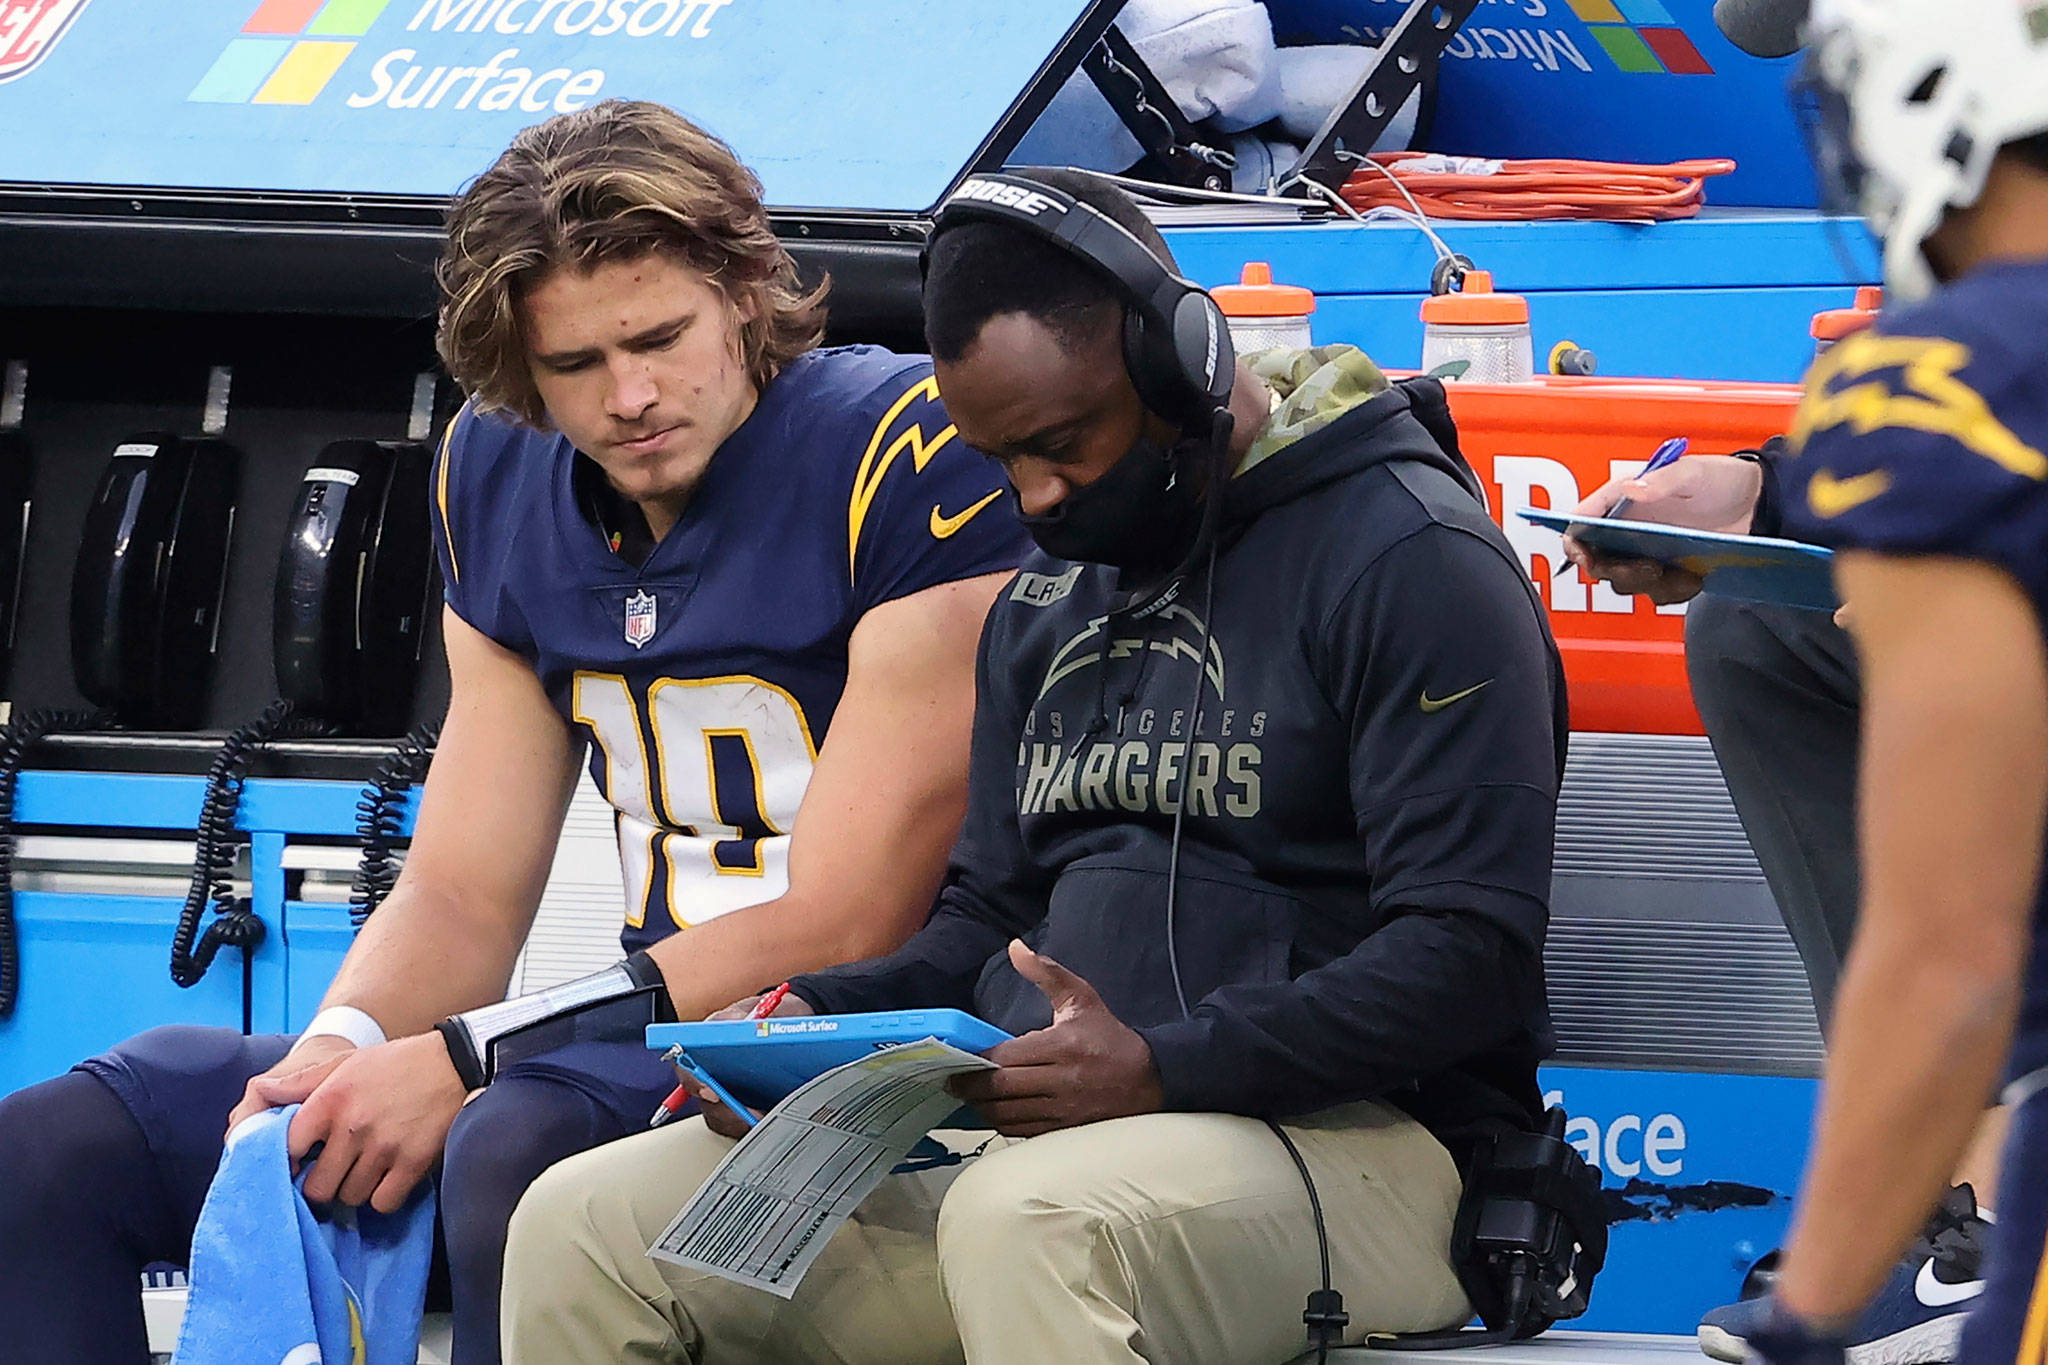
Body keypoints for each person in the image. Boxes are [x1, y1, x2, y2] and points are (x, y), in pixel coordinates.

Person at [0, 99, 1026, 1365]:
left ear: (749, 292)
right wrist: (347, 1047)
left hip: (834, 1046)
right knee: (69, 1143)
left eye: (659, 338)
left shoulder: (906, 448)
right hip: (605, 1046)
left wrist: (470, 1058)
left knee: (512, 1138)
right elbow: (463, 892)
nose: (631, 396)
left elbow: (852, 918)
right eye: (575, 366)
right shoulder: (489, 467)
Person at [496, 167, 1570, 1365]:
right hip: (1057, 1142)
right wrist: (810, 1016)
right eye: (1001, 461)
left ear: (1180, 370)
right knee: (587, 1221)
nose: (1035, 497)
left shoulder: (1409, 556)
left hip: (1369, 1149)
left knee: (1032, 1222)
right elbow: (992, 915)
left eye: (1061, 446)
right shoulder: (1047, 598)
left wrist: (1163, 1066)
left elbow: (1466, 956)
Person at [1574, 2, 2048, 1360]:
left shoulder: (1948, 391)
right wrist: (1774, 488)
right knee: (1763, 624)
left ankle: (1952, 1222)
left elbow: (1945, 955)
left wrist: (1823, 1305)